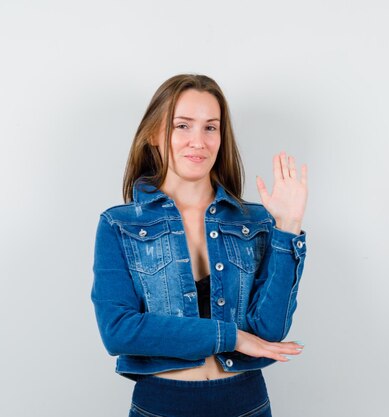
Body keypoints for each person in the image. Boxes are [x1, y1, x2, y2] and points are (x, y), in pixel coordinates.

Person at [91, 74, 308, 417]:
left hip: (246, 403)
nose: (199, 141)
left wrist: (287, 228)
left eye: (210, 127)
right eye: (182, 126)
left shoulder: (254, 221)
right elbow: (118, 331)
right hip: (161, 405)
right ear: (153, 136)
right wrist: (231, 338)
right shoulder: (120, 224)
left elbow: (269, 331)